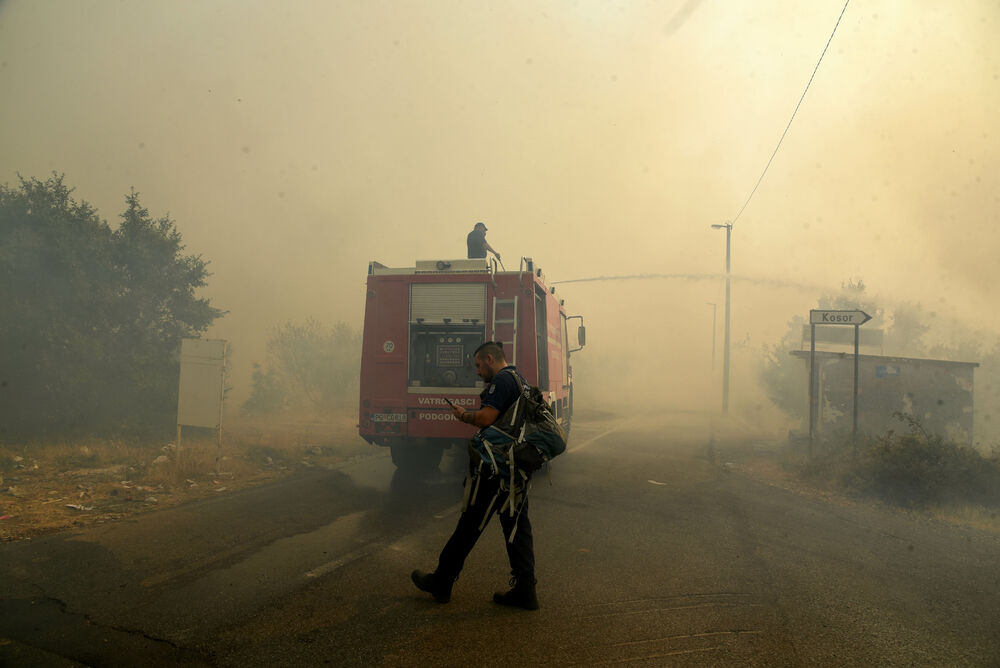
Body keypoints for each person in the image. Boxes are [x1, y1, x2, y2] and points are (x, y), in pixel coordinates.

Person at [410, 341, 538, 610]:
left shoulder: (502, 381)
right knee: (518, 529)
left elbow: (486, 418)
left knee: (469, 524)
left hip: (496, 467)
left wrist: (464, 415)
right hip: (515, 468)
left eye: (479, 365)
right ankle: (526, 591)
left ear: (490, 359)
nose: (478, 372)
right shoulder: (520, 379)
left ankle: (442, 581)